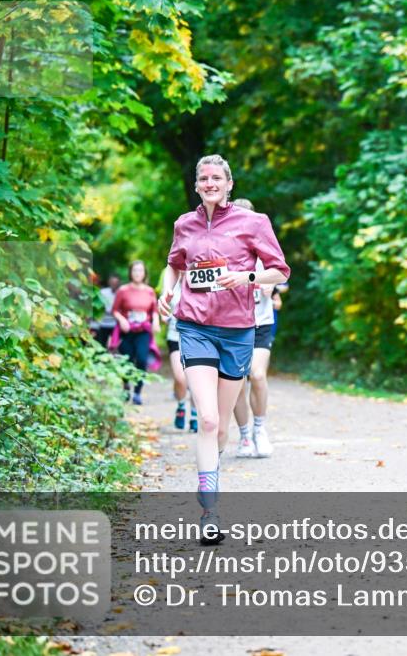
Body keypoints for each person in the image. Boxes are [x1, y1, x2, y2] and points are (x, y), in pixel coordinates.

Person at [158, 155, 290, 545]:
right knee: (208, 419)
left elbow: (280, 270)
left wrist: (245, 277)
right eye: (203, 178)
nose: (210, 183)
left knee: (222, 426)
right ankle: (210, 512)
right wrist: (167, 291)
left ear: (229, 184)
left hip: (237, 332)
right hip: (194, 326)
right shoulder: (185, 223)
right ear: (197, 185)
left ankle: (210, 482)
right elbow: (173, 265)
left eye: (217, 177)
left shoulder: (254, 222)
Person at [229, 198, 286, 459]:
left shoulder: (264, 249)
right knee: (237, 383)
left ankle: (260, 429)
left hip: (261, 323)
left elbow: (280, 272)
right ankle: (243, 436)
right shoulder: (225, 251)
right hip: (231, 324)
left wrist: (271, 286)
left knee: (258, 375)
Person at [111, 261, 161, 405]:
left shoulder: (150, 291)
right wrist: (122, 320)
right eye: (135, 270)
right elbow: (115, 310)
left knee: (142, 359)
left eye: (140, 270)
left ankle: (138, 392)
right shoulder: (123, 290)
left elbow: (154, 311)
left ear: (144, 273)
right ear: (130, 273)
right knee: (126, 360)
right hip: (127, 331)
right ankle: (126, 387)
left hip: (143, 331)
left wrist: (156, 322)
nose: (137, 273)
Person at [162, 275, 197, 432]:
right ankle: (181, 405)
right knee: (180, 377)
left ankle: (194, 414)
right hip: (175, 337)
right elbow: (163, 308)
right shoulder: (172, 285)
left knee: (195, 380)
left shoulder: (200, 282)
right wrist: (163, 315)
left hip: (196, 338)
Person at [96, 274, 120, 348]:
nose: (114, 285)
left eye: (115, 283)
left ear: (118, 283)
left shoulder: (121, 293)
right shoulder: (103, 292)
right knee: (101, 344)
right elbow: (98, 306)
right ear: (109, 282)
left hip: (116, 324)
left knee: (116, 345)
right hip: (103, 323)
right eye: (112, 282)